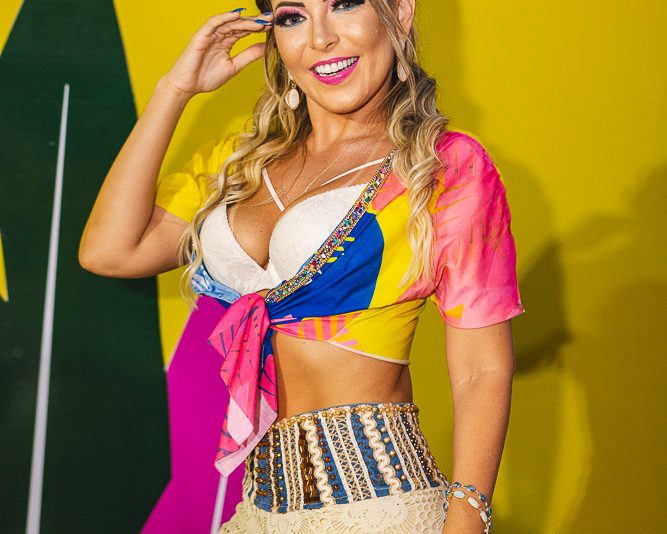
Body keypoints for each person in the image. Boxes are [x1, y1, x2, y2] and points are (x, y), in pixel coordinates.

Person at [79, 0, 524, 532]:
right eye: (293, 16)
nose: (320, 38)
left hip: (380, 507)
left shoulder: (443, 168)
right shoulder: (240, 163)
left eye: (343, 4)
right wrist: (174, 90)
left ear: (399, 12)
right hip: (258, 509)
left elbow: (480, 370)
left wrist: (467, 520)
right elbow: (110, 251)